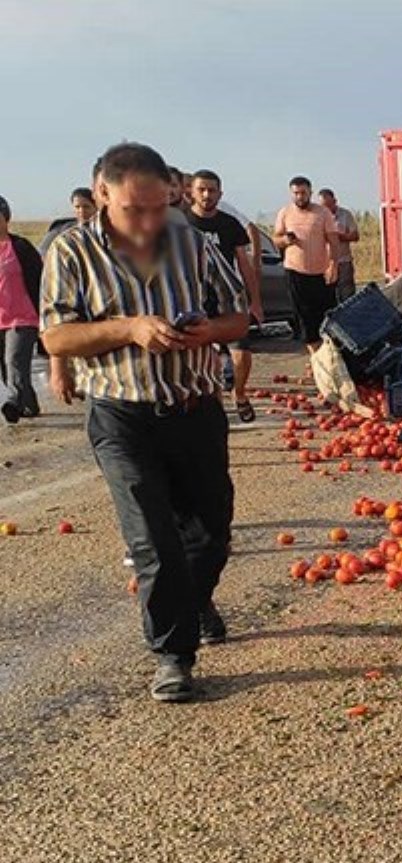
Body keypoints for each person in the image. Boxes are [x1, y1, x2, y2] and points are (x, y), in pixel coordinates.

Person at [39, 142, 250, 702]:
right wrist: (129, 328)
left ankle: (193, 597)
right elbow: (57, 336)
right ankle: (174, 656)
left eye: (161, 206)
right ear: (104, 194)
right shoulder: (71, 252)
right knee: (154, 541)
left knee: (212, 533)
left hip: (194, 408)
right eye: (137, 209)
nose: (151, 220)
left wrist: (210, 331)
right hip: (122, 416)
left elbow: (237, 314)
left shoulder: (193, 244)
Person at [187, 170, 263, 422]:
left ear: (220, 193)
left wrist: (255, 301)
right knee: (206, 361)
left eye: (212, 190)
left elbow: (244, 263)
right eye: (202, 190)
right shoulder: (181, 224)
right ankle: (216, 410)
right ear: (192, 192)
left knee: (242, 355)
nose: (207, 195)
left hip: (229, 299)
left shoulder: (229, 224)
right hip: (194, 301)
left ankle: (239, 394)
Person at [274, 176, 341, 352]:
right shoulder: (285, 213)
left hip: (320, 274)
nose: (300, 197)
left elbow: (334, 241)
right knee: (305, 318)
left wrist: (333, 265)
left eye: (303, 193)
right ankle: (314, 359)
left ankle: (326, 356)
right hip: (295, 272)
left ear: (310, 192)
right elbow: (276, 239)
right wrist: (286, 240)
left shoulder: (322, 213)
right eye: (296, 193)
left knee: (326, 317)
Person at [0, 195, 43, 422]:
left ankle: (12, 403)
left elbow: (41, 280)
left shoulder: (20, 247)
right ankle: (29, 404)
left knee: (14, 361)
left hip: (22, 318)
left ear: (6, 218)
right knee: (8, 369)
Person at [318, 189, 360, 301]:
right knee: (328, 296)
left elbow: (355, 236)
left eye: (328, 205)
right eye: (323, 206)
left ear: (335, 201)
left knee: (347, 296)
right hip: (325, 264)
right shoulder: (318, 218)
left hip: (343, 262)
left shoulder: (346, 215)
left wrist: (340, 237)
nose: (326, 209)